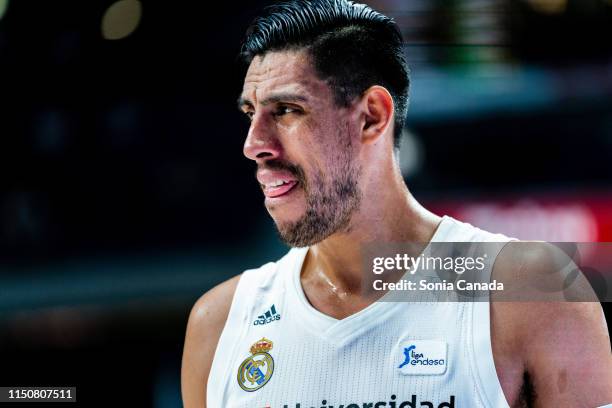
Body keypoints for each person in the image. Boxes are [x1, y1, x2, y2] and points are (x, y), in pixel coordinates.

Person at [181, 1, 612, 407]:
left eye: (287, 110)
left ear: (371, 115)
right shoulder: (220, 324)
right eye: (250, 113)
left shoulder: (528, 292)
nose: (254, 144)